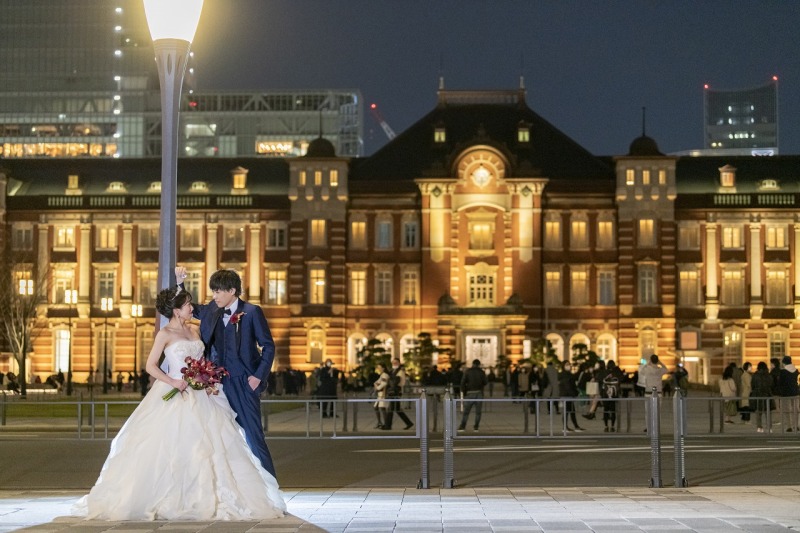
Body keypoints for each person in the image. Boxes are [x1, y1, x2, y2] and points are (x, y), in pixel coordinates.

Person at [72, 286, 285, 521]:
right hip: (176, 389)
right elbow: (151, 366)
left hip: (202, 393)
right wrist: (173, 381)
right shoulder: (164, 334)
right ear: (176, 311)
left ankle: (211, 494)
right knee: (174, 445)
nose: (191, 308)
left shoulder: (195, 330)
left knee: (212, 445)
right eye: (187, 305)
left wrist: (206, 375)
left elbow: (207, 356)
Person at [177, 266, 278, 477]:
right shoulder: (211, 310)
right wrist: (180, 283)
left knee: (253, 436)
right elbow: (188, 308)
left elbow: (268, 346)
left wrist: (258, 377)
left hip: (243, 382)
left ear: (232, 291)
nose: (214, 296)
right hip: (215, 385)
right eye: (213, 291)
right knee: (216, 437)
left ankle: (271, 491)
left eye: (218, 291)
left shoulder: (251, 312)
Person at [382, 358, 413, 430]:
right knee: (397, 409)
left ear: (399, 363)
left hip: (396, 391)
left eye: (396, 362)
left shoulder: (400, 371)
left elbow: (398, 382)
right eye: (393, 363)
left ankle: (387, 425)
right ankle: (409, 423)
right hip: (393, 391)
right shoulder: (393, 371)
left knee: (391, 409)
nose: (394, 364)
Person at [640, 354, 668, 432]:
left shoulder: (647, 369)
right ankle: (656, 426)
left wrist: (647, 363)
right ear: (657, 361)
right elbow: (666, 369)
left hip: (648, 392)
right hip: (658, 393)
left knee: (648, 411)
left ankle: (648, 427)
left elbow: (641, 371)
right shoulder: (660, 370)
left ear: (650, 360)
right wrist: (660, 363)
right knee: (657, 411)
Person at [459, 359, 488, 431]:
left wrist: (464, 391)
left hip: (469, 393)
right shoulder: (482, 372)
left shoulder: (467, 372)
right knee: (478, 412)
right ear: (479, 364)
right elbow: (485, 382)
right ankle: (476, 427)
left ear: (473, 364)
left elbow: (462, 382)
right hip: (479, 393)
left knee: (466, 412)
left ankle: (463, 426)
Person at [558, 361, 584, 432]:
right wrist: (574, 393)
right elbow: (568, 386)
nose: (568, 366)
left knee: (572, 411)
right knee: (566, 412)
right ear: (563, 366)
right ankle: (565, 427)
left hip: (569, 395)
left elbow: (573, 383)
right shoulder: (563, 375)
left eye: (569, 364)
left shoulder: (569, 374)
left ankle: (575, 426)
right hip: (566, 395)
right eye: (567, 365)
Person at [776, 355, 799, 433]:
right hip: (795, 392)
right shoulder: (796, 370)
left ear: (784, 362)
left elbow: (780, 383)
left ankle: (789, 426)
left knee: (787, 410)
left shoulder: (783, 372)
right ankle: (796, 425)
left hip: (785, 393)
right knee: (795, 409)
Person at [601, 360, 623, 432]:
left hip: (605, 394)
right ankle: (613, 426)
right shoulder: (616, 372)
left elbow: (599, 379)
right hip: (614, 394)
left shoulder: (604, 372)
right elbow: (622, 378)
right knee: (613, 410)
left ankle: (606, 426)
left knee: (606, 410)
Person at [751, 361, 772, 433]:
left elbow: (752, 385)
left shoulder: (755, 375)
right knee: (768, 412)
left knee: (758, 412)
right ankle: (769, 428)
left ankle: (759, 427)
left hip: (758, 394)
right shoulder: (768, 375)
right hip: (767, 394)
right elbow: (771, 384)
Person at [372, 363, 389, 429]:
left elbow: (383, 384)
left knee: (382, 408)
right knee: (376, 407)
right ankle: (380, 422)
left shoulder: (384, 375)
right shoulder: (382, 375)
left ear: (383, 368)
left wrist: (377, 387)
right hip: (380, 394)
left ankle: (385, 423)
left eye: (379, 367)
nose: (378, 369)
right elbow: (376, 382)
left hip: (383, 394)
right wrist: (377, 385)